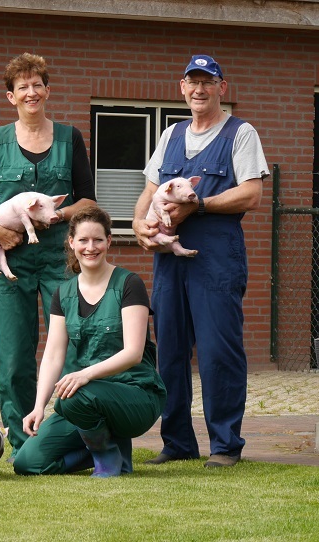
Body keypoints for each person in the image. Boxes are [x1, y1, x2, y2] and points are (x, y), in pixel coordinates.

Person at [0, 53, 97, 460]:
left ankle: (71, 438)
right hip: (9, 264)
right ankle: (23, 446)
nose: (31, 92)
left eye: (37, 85)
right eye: (23, 87)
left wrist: (56, 216)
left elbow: (87, 199)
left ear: (47, 91)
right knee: (13, 355)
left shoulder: (70, 138)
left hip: (62, 262)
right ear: (10, 96)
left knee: (73, 350)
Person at [132, 54, 269, 468]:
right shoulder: (170, 135)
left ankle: (225, 445)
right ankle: (177, 442)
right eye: (192, 82)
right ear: (182, 87)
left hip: (217, 259)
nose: (199, 89)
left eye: (208, 82)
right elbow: (150, 188)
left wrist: (200, 205)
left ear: (221, 88)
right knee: (170, 350)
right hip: (169, 262)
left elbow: (251, 194)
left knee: (217, 352)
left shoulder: (240, 133)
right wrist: (138, 224)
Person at [13, 206, 167, 477]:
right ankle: (108, 450)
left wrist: (84, 375)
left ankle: (107, 459)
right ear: (71, 243)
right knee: (28, 462)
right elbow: (52, 356)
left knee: (70, 398)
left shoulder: (129, 284)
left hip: (135, 392)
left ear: (109, 241)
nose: (90, 247)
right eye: (83, 240)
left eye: (98, 239)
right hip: (87, 400)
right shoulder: (63, 293)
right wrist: (38, 407)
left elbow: (133, 352)